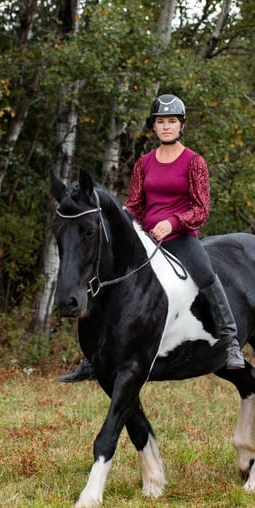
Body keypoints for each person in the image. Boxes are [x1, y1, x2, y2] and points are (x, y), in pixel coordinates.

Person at [59, 94, 244, 382]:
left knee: (206, 273)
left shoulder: (194, 162)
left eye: (172, 121)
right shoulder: (144, 163)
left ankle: (231, 340)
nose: (166, 127)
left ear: (181, 125)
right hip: (144, 237)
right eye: (161, 122)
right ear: (154, 127)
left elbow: (201, 209)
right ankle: (93, 357)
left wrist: (171, 224)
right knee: (103, 276)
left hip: (180, 238)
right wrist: (125, 220)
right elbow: (134, 204)